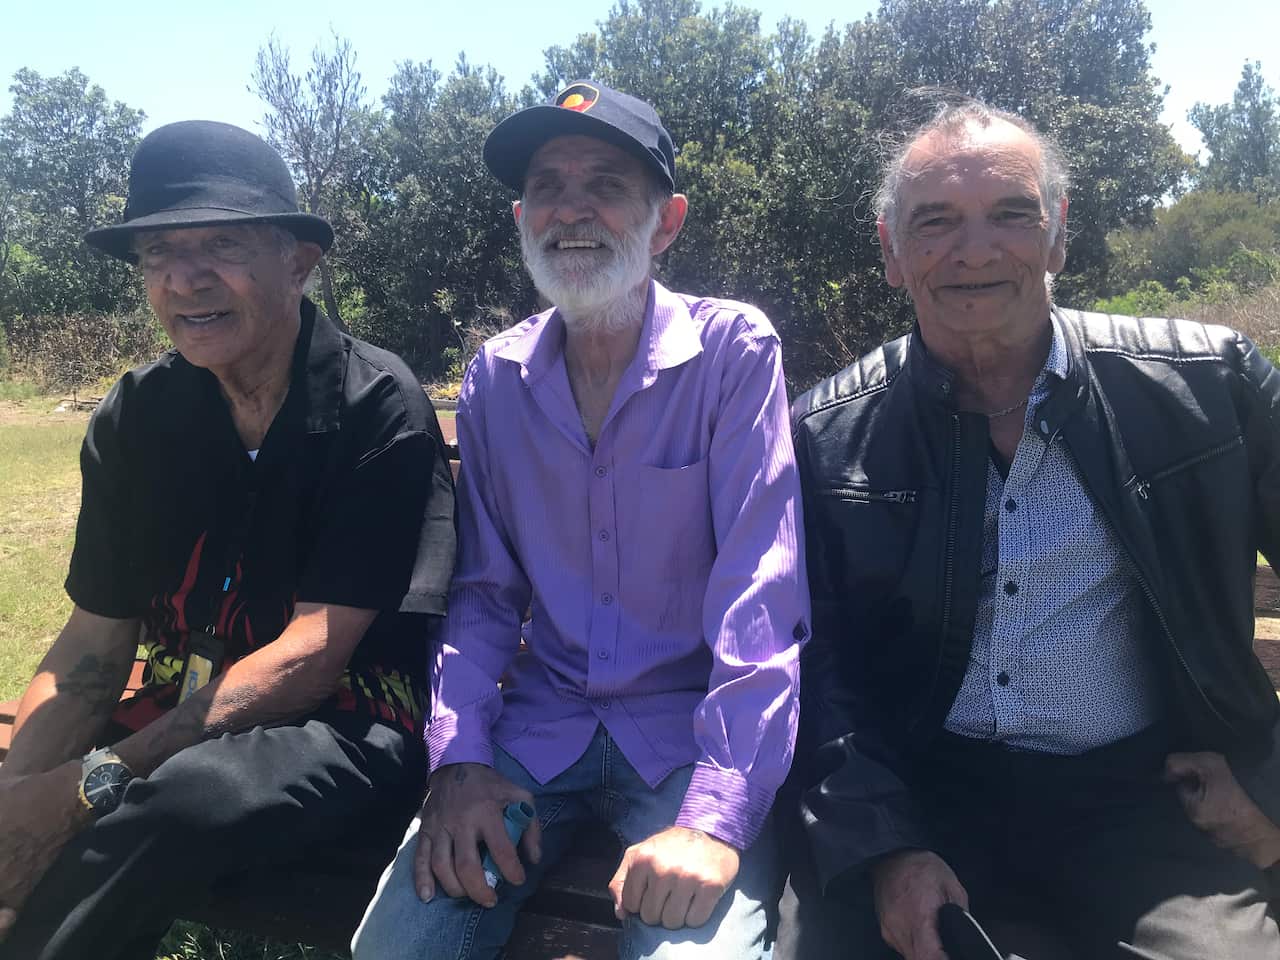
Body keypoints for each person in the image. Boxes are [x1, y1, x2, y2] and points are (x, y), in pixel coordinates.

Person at [782, 96, 1280, 960]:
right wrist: (883, 845)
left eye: (1011, 215)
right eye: (936, 221)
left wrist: (1271, 785)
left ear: (1057, 234)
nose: (975, 251)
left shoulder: (1211, 388)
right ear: (891, 250)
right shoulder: (826, 434)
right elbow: (815, 662)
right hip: (922, 797)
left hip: (1143, 804)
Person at [351, 81, 808, 960]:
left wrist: (714, 819)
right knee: (400, 948)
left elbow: (761, 596)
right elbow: (483, 593)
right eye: (547, 187)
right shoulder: (496, 378)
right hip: (537, 732)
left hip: (692, 741)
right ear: (522, 218)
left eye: (605, 183)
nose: (571, 210)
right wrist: (460, 759)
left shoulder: (732, 354)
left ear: (666, 222)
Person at [0, 120, 456, 960]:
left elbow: (311, 659)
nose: (184, 278)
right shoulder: (138, 416)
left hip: (343, 719)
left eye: (221, 245)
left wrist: (86, 787)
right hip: (175, 710)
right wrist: (18, 800)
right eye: (158, 253)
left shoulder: (375, 407)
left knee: (179, 802)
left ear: (298, 260)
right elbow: (93, 644)